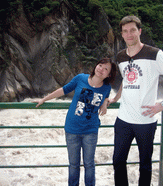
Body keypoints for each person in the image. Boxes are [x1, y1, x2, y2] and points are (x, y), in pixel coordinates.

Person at [108, 15, 163, 186]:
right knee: (118, 161)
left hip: (146, 120)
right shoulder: (120, 56)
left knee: (145, 165)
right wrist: (116, 97)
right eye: (125, 31)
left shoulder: (155, 54)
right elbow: (126, 81)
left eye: (133, 30)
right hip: (123, 119)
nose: (129, 34)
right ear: (122, 34)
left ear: (139, 31)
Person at [34, 58, 116, 186]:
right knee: (73, 165)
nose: (102, 69)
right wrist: (44, 99)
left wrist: (105, 102)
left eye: (106, 69)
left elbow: (106, 96)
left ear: (109, 75)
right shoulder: (80, 78)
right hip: (72, 129)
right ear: (96, 66)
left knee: (89, 164)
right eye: (100, 65)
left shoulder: (106, 87)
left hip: (90, 131)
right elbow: (63, 90)